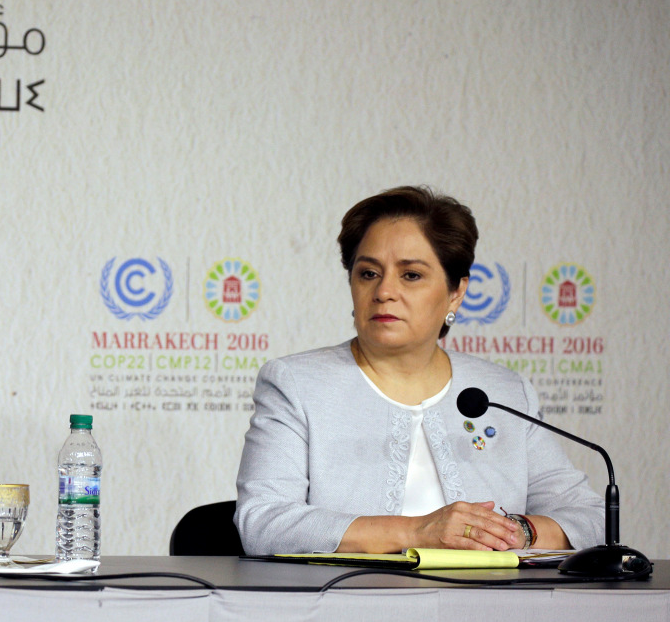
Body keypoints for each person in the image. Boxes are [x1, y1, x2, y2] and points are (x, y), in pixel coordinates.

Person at [235, 186, 603, 555]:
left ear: (456, 291)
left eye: (410, 275)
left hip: (488, 605)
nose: (384, 291)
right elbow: (264, 522)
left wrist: (517, 531)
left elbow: (590, 518)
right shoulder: (298, 384)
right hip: (350, 603)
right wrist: (416, 532)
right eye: (368, 273)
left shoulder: (503, 392)